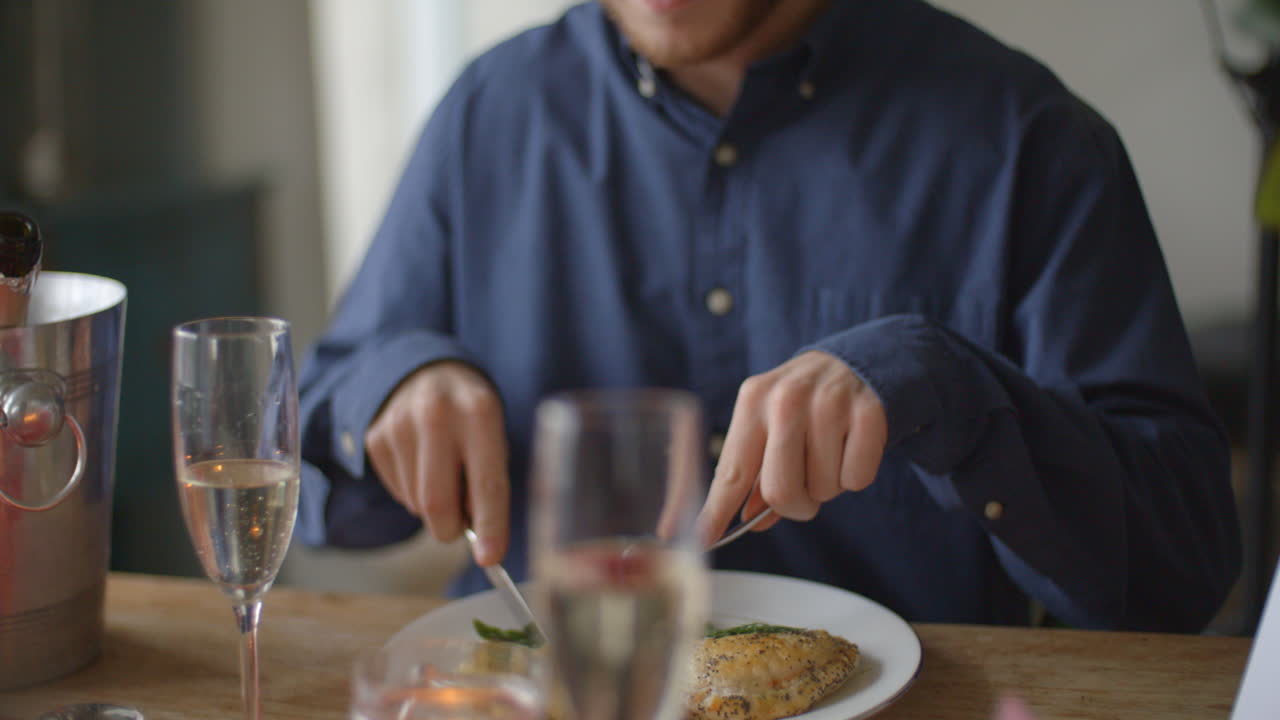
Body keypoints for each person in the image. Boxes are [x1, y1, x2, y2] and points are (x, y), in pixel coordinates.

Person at [296, 0, 1242, 631]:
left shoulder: (1030, 140)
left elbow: (1183, 571)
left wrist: (950, 389)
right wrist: (389, 389)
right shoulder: (486, 116)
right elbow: (301, 491)